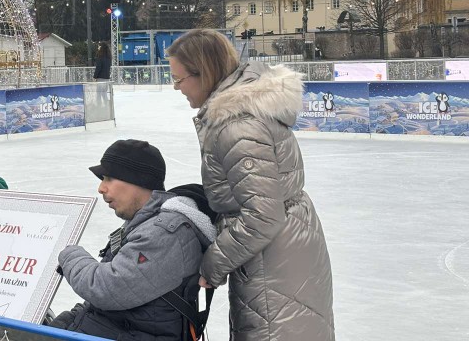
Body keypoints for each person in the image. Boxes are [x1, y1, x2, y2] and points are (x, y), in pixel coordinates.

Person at [165, 29, 335, 341]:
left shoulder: (238, 127)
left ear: (203, 73)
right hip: (283, 249)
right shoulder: (240, 114)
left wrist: (211, 264)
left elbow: (263, 215)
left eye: (179, 79)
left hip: (274, 262)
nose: (176, 88)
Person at [50, 139, 216, 341]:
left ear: (138, 181)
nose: (101, 188)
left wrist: (69, 253)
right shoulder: (143, 222)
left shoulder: (165, 234)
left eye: (109, 178)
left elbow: (105, 287)